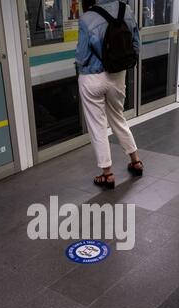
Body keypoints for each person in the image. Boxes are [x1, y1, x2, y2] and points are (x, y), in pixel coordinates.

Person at [76, 0, 143, 189]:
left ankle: (107, 174)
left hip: (92, 77)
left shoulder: (87, 18)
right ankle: (136, 161)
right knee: (118, 118)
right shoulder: (126, 10)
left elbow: (81, 56)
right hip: (118, 74)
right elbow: (136, 44)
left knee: (98, 126)